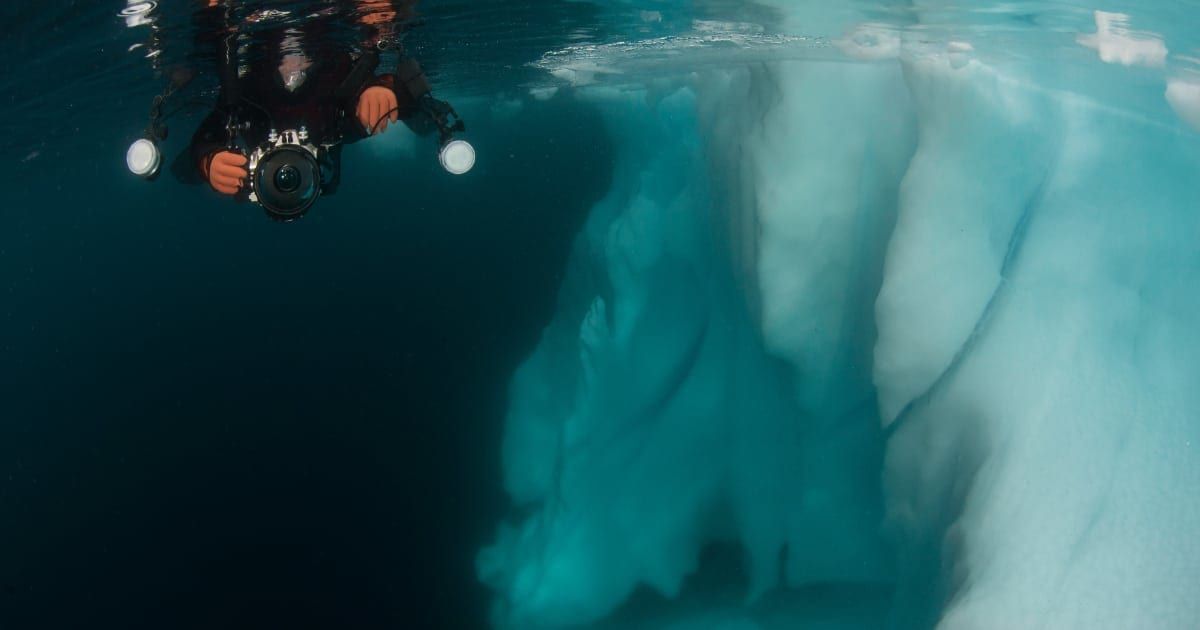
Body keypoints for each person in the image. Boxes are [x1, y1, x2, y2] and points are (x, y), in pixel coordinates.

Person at [186, 0, 461, 216]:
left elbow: (189, 158)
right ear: (319, 169)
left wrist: (206, 161)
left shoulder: (245, 105)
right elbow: (413, 105)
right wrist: (387, 85)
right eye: (302, 178)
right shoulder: (337, 125)